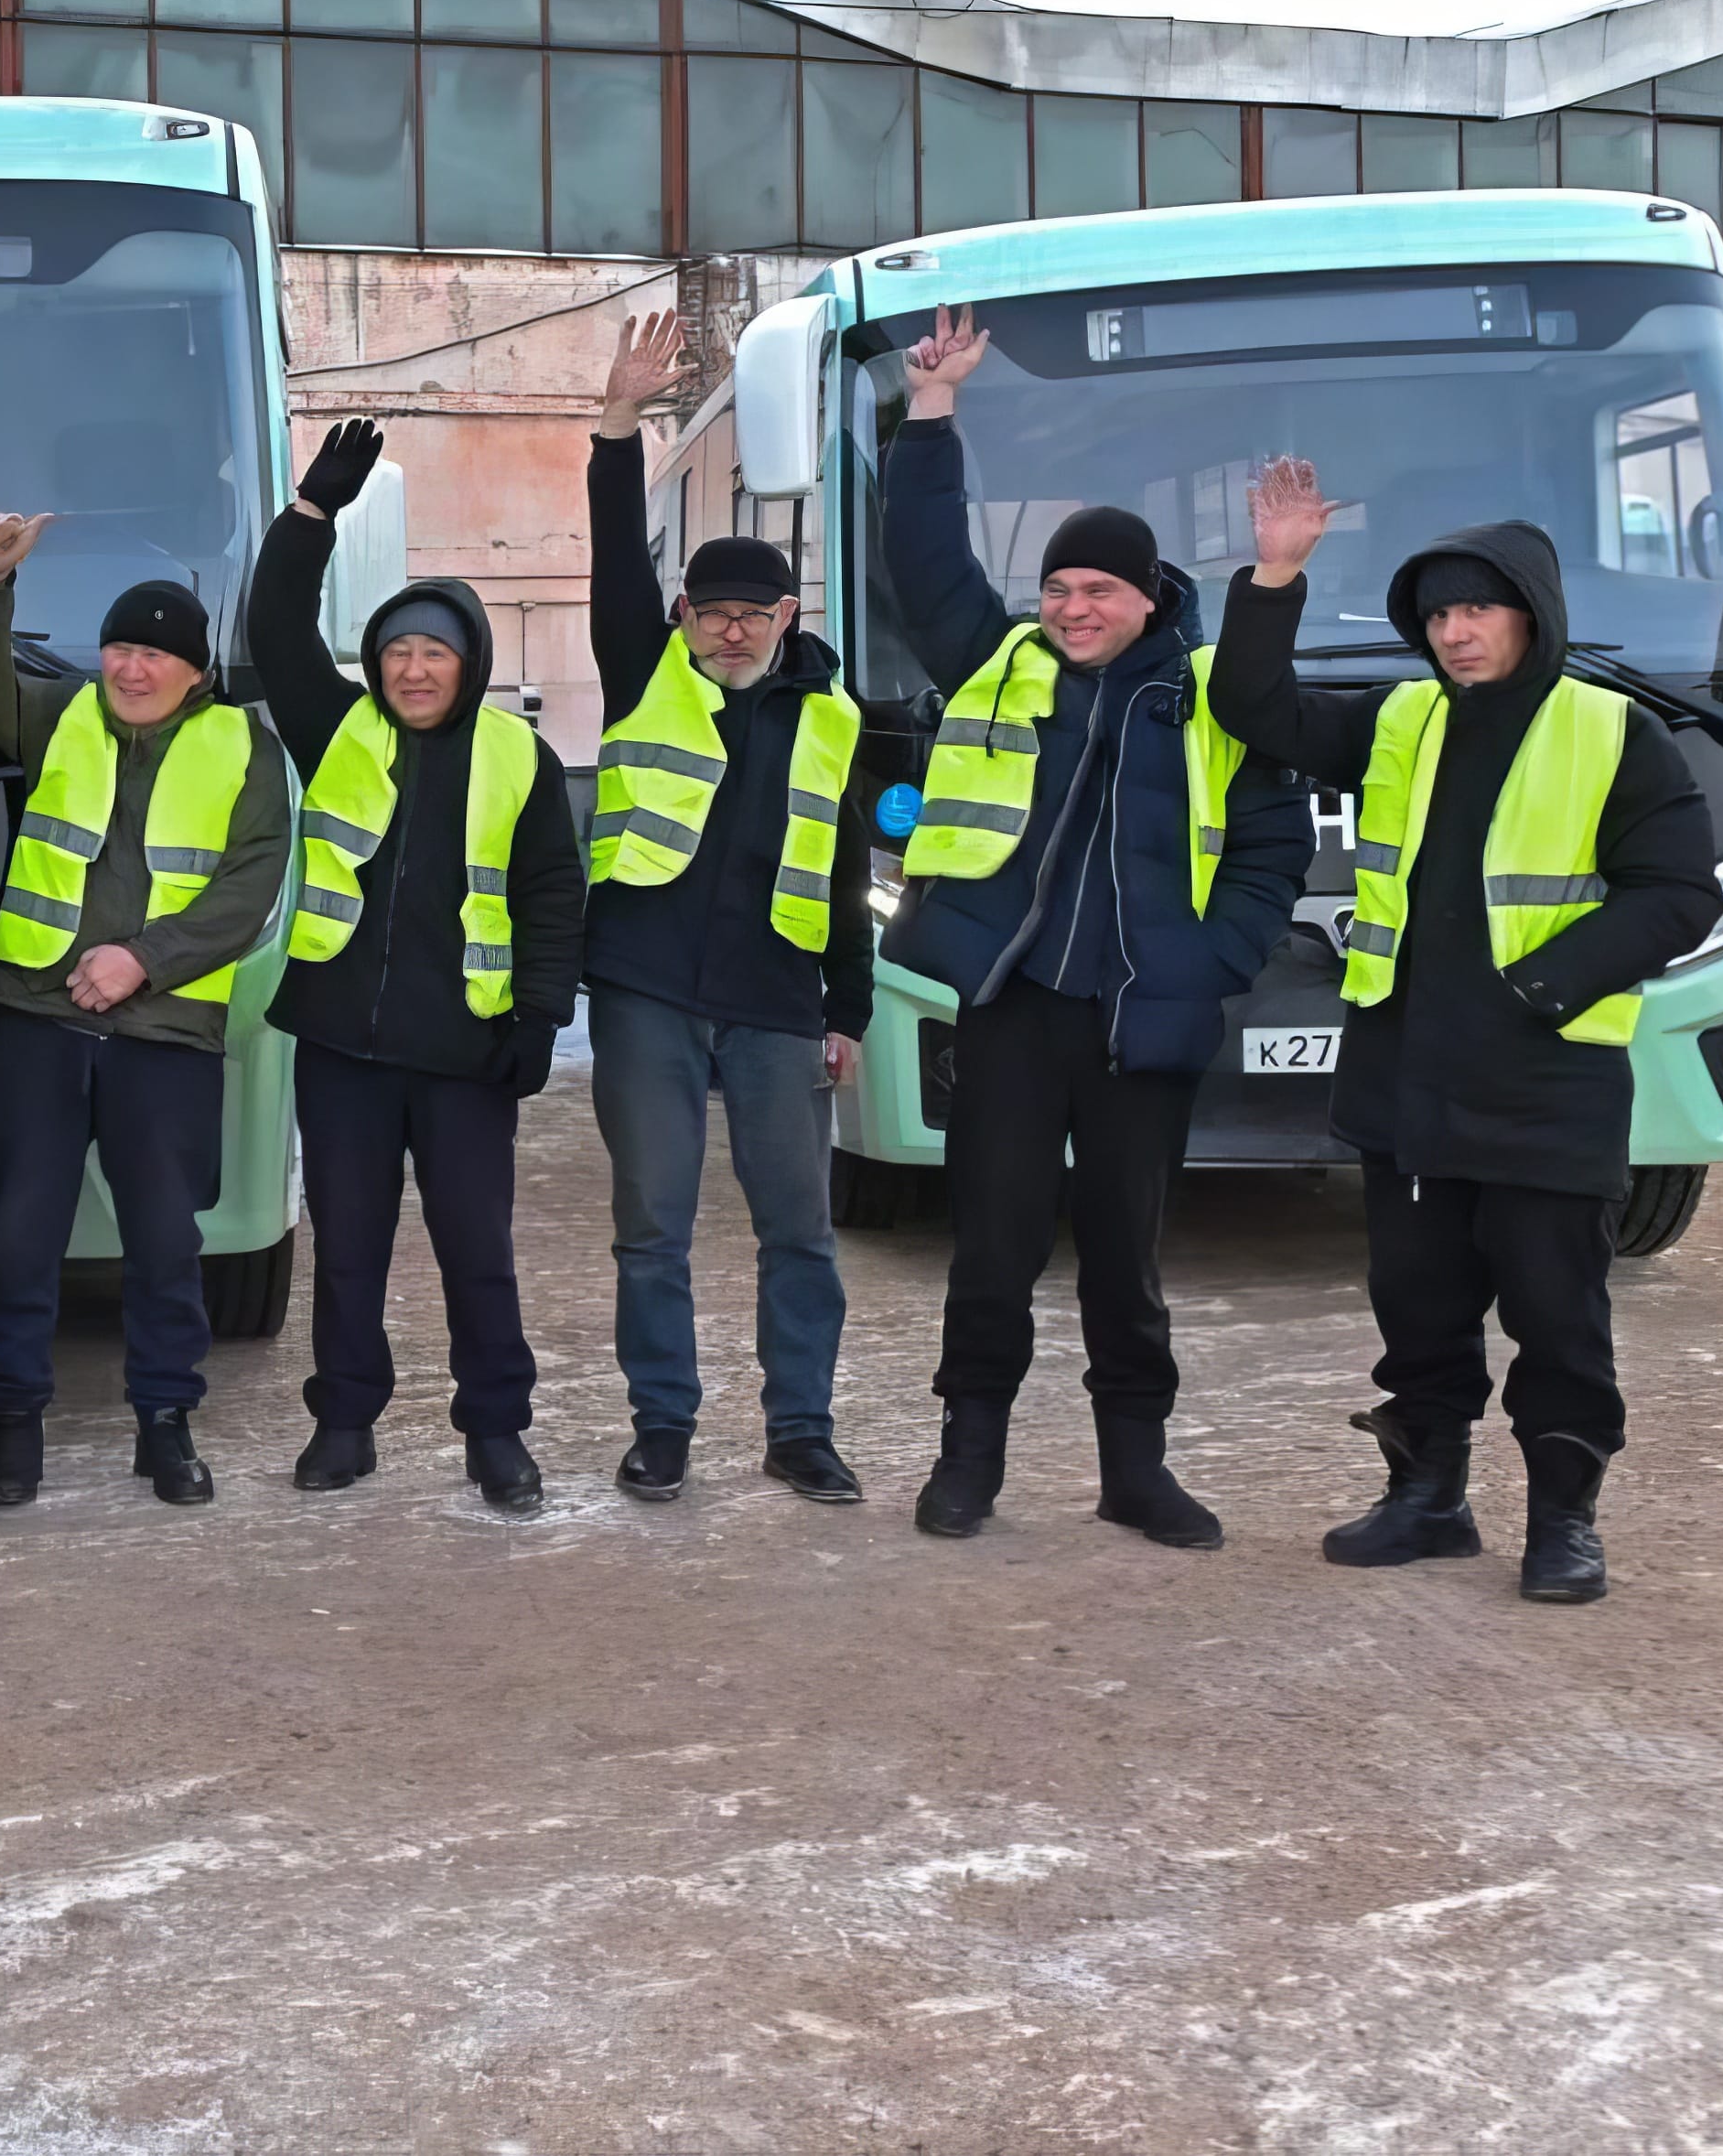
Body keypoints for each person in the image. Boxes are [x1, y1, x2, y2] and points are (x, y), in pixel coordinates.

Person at [1218, 461, 1717, 1602]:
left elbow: (1676, 894)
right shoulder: (1400, 719)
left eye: (1476, 609)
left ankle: (1562, 1523)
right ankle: (1428, 1499)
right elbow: (1254, 708)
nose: (1454, 632)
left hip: (1545, 1086)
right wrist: (1276, 574)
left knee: (1558, 1320)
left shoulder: (1613, 731)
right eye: (1438, 614)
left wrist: (1541, 984)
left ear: (1530, 614)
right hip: (1405, 1083)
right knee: (1420, 1316)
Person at [880, 308, 1308, 1548]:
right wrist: (932, 411)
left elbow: (1271, 849)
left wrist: (1210, 961)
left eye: (1097, 590)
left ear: (1145, 596)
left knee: (1127, 1261)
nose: (1072, 608)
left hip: (1143, 1019)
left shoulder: (1213, 698)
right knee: (992, 1252)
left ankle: (1135, 1471)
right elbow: (926, 564)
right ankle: (968, 1458)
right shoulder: (996, 662)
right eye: (1058, 588)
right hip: (1014, 1009)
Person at [580, 314, 876, 1507]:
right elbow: (614, 560)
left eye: (755, 611)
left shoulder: (831, 718)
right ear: (685, 617)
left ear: (789, 614)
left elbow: (843, 871)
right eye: (713, 611)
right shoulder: (639, 675)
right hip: (646, 991)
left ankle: (801, 1429)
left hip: (775, 1000)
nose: (733, 628)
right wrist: (616, 426)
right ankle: (662, 1426)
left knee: (797, 1229)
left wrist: (847, 1009)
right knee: (651, 1225)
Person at [262, 419, 585, 1505]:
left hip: (465, 1055)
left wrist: (537, 1019)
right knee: (348, 1251)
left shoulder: (519, 756)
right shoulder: (335, 729)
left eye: (433, 652)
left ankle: (496, 1432)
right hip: (341, 1046)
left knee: (476, 1255)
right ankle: (343, 1422)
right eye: (397, 651)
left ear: (468, 664)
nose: (412, 669)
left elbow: (552, 895)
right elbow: (275, 625)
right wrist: (312, 513)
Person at [0, 511, 289, 1505]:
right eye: (119, 649)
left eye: (154, 655)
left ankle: (165, 1424)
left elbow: (248, 886)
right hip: (38, 1017)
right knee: (18, 1239)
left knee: (165, 1244)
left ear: (195, 672)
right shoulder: (60, 712)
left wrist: (142, 960)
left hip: (163, 1031)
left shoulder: (244, 748)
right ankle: (14, 1427)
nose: (131, 669)